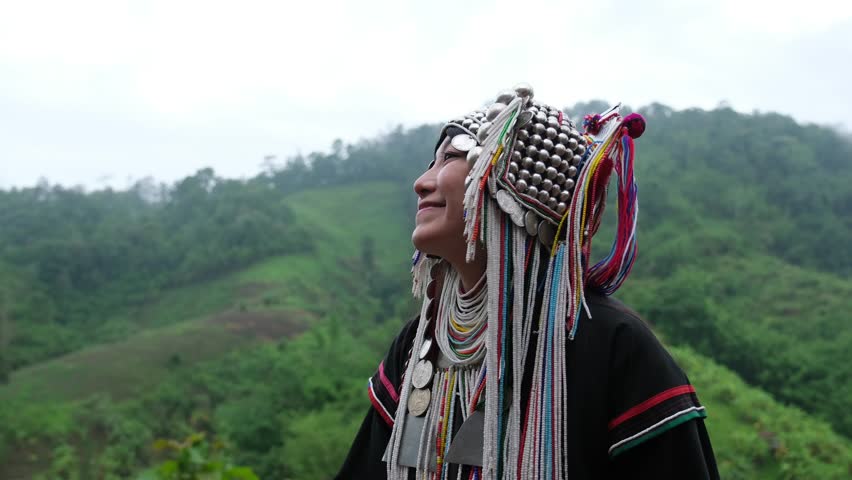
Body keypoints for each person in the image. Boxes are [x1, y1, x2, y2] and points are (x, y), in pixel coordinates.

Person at [337, 84, 719, 479]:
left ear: (511, 185)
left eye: (449, 158)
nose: (421, 182)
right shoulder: (420, 344)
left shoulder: (611, 343)